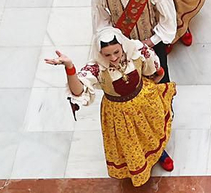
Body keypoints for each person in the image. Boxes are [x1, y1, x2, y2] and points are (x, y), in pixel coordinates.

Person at [45, 31, 174, 182]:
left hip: (143, 99)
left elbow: (152, 67)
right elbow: (78, 90)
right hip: (118, 112)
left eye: (116, 52)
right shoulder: (96, 68)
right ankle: (140, 165)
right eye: (107, 55)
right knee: (130, 140)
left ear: (122, 46)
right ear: (100, 53)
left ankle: (159, 153)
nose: (113, 58)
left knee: (152, 129)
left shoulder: (137, 50)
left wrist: (155, 78)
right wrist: (70, 67)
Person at [88, 0, 177, 74]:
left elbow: (168, 19)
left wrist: (151, 41)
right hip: (120, 50)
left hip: (151, 44)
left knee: (160, 78)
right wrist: (115, 47)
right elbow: (101, 24)